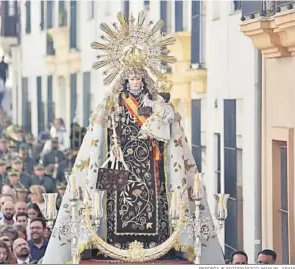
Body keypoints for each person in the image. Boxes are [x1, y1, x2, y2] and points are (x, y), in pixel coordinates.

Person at [42, 11, 224, 264]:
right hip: (123, 164)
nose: (136, 81)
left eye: (139, 77)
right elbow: (98, 132)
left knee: (154, 201)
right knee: (119, 202)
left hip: (152, 165)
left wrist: (159, 119)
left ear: (144, 78)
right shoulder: (114, 103)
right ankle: (113, 240)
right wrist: (111, 143)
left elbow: (168, 129)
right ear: (125, 79)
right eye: (131, 77)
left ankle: (160, 240)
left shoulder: (157, 102)